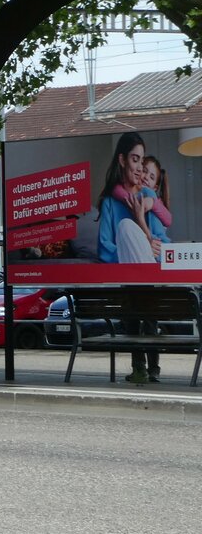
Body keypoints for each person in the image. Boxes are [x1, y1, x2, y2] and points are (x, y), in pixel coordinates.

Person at [95, 133, 169, 383]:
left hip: (147, 275)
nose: (139, 166)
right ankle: (142, 367)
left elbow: (163, 239)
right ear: (122, 160)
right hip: (128, 272)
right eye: (134, 159)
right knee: (126, 228)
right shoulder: (110, 201)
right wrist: (135, 249)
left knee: (143, 311)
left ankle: (150, 369)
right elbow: (104, 247)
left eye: (141, 160)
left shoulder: (149, 196)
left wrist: (153, 246)